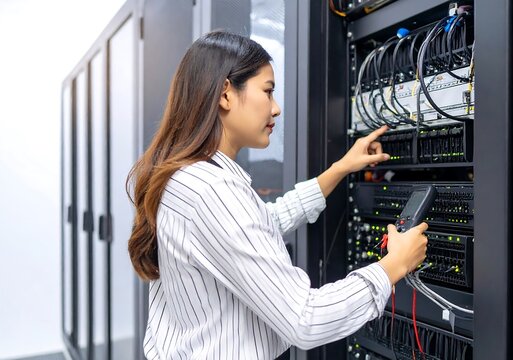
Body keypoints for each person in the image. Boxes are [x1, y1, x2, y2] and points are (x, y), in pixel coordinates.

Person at [127, 31, 428, 359]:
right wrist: (393, 265)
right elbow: (306, 319)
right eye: (268, 92)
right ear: (225, 93)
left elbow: (259, 225)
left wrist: (340, 169)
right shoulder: (213, 191)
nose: (276, 108)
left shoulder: (186, 178)